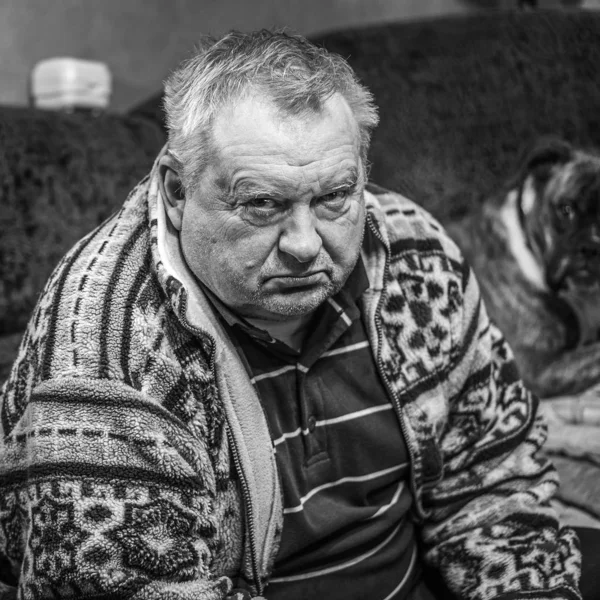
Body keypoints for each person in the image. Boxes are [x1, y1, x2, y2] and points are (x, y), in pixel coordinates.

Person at [0, 29, 588, 600]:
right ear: (177, 193)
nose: (306, 244)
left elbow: (494, 486)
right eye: (263, 203)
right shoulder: (102, 359)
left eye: (335, 196)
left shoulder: (417, 256)